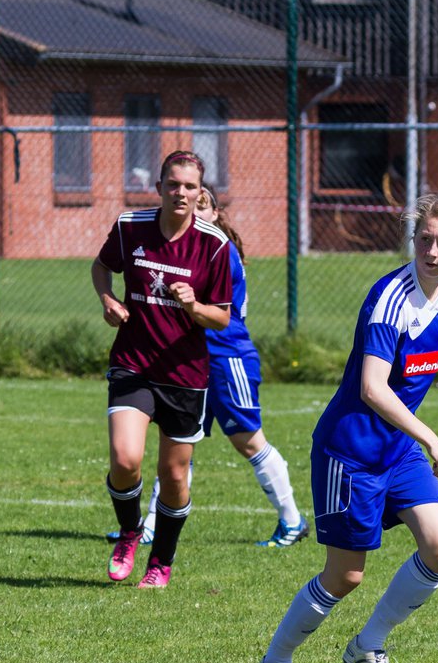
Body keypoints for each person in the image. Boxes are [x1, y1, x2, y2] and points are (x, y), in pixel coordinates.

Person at [256, 195, 438, 663]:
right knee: (346, 575)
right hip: (350, 452)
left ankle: (368, 646)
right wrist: (432, 439)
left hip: (395, 450)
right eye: (424, 239)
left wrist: (413, 436)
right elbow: (372, 389)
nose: (431, 250)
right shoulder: (389, 300)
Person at [110, 185, 308, 549]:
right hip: (190, 362)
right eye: (192, 207)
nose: (196, 213)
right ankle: (151, 526)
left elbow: (211, 312)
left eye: (204, 208)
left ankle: (293, 521)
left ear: (216, 215)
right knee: (178, 444)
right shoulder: (183, 247)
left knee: (249, 442)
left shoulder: (217, 249)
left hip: (226, 357)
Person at [93, 150, 232, 589]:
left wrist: (194, 306)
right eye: (173, 184)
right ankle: (130, 531)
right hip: (133, 363)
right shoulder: (130, 227)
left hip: (185, 374)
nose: (181, 193)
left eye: (190, 186)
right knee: (125, 458)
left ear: (201, 192)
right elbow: (101, 268)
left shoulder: (214, 244)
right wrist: (109, 300)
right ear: (159, 187)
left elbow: (223, 317)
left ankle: (162, 561)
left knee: (173, 476)